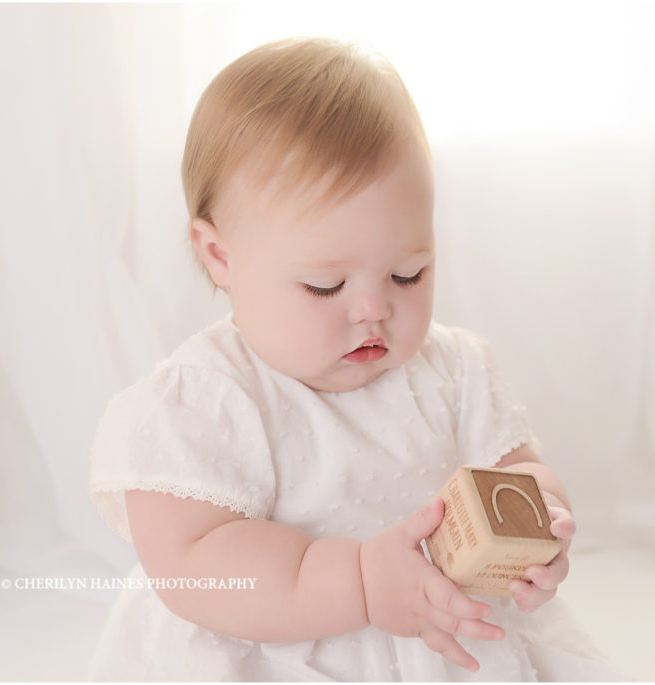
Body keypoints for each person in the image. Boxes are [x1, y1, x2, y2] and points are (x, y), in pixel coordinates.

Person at [89, 37, 616, 681]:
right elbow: (196, 564)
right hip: (280, 651)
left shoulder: (452, 371)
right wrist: (360, 582)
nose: (373, 309)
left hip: (449, 641)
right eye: (325, 287)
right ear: (220, 255)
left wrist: (540, 530)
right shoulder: (209, 398)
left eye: (408, 274)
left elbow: (518, 473)